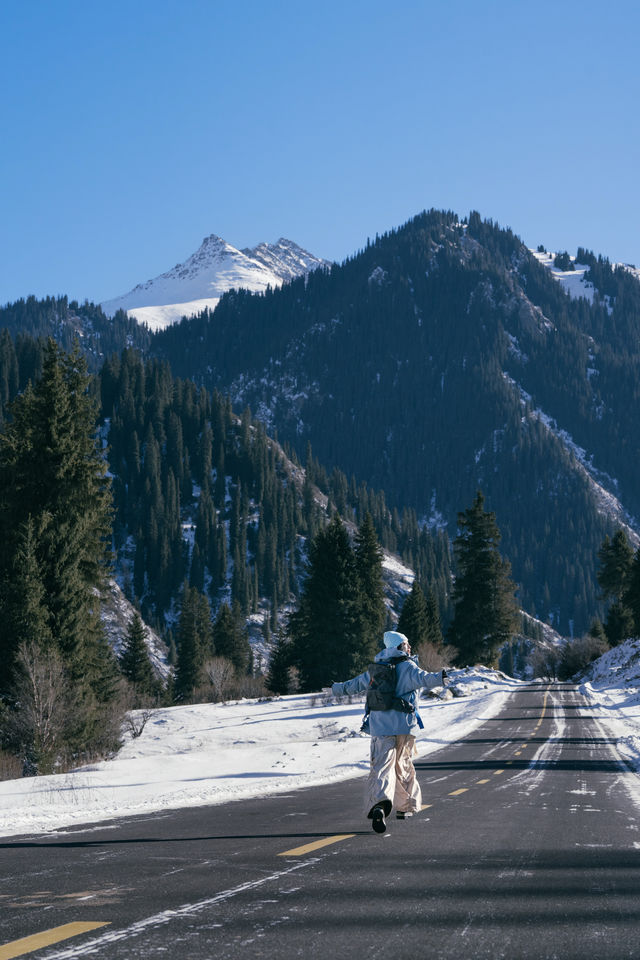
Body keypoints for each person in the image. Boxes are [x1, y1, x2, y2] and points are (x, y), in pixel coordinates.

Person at [331, 630, 446, 834]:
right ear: (400, 647)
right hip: (404, 727)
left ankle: (379, 806)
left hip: (380, 727)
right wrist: (442, 677)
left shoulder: (376, 669)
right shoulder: (408, 666)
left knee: (381, 768)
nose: (409, 647)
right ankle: (405, 807)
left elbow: (354, 685)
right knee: (403, 766)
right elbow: (425, 679)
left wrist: (336, 688)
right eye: (407, 644)